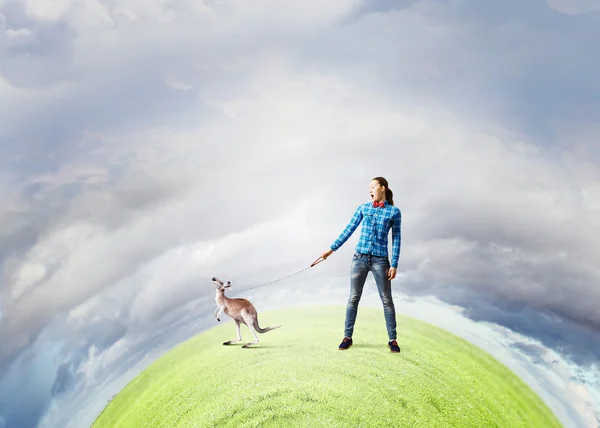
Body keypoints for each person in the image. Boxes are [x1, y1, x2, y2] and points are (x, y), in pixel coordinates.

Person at [319, 176, 402, 353]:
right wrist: (331, 249)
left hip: (381, 261)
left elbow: (396, 239)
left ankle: (392, 339)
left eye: (373, 187)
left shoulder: (394, 212)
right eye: (369, 188)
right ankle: (347, 337)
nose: (370, 190)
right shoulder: (363, 208)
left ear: (383, 188)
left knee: (387, 300)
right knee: (353, 297)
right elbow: (349, 229)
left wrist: (394, 264)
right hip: (360, 259)